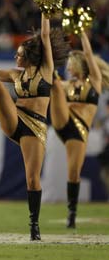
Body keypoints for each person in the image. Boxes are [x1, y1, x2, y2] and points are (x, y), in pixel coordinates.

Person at [0, 15, 69, 241]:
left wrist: (45, 10)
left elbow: (44, 36)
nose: (15, 56)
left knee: (32, 179)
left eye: (19, 54)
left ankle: (34, 224)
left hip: (34, 129)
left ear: (30, 55)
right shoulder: (16, 74)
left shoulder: (45, 70)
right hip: (15, 120)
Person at [50, 30, 109, 228]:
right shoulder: (65, 85)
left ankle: (72, 213)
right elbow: (58, 88)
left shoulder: (94, 83)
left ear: (79, 66)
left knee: (73, 173)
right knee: (55, 85)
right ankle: (48, 68)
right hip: (62, 123)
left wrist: (83, 33)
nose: (68, 67)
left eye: (70, 64)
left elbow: (90, 56)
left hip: (79, 131)